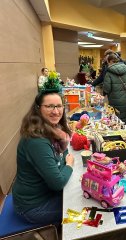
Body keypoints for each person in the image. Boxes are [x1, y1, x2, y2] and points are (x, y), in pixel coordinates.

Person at [12, 90, 74, 225]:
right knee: (79, 208)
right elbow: (57, 182)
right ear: (38, 108)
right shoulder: (37, 141)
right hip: (33, 207)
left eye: (59, 106)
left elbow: (63, 154)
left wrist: (64, 162)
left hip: (44, 193)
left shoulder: (51, 128)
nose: (56, 111)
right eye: (49, 106)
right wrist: (69, 165)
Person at [103, 53, 126, 126]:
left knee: (115, 120)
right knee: (125, 120)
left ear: (110, 61)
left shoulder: (109, 73)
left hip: (114, 101)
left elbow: (107, 89)